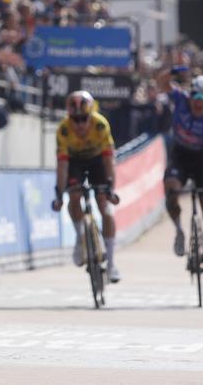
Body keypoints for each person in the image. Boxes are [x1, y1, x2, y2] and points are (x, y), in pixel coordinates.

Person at [157, 72, 203, 288]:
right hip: (180, 154)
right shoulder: (180, 99)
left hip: (201, 159)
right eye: (196, 96)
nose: (199, 102)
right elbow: (162, 82)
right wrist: (174, 72)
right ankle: (179, 230)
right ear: (191, 95)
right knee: (171, 190)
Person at [52, 90, 120, 283]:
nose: (80, 124)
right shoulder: (63, 130)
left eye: (84, 118)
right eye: (75, 119)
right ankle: (81, 237)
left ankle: (112, 263)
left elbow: (109, 161)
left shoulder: (100, 125)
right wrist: (59, 193)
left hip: (98, 161)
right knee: (73, 197)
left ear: (90, 114)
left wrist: (111, 188)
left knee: (105, 206)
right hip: (75, 163)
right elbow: (62, 166)